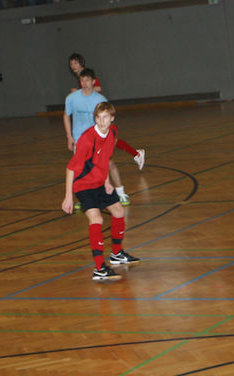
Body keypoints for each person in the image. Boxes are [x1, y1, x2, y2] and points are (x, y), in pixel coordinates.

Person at [62, 102, 140, 281]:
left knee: (119, 212)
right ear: (95, 118)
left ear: (112, 118)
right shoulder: (87, 139)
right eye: (98, 117)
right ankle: (99, 268)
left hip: (100, 183)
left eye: (105, 117)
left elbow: (104, 157)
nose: (101, 121)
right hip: (84, 185)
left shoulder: (112, 132)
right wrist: (68, 196)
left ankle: (116, 254)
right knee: (96, 219)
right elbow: (71, 168)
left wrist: (107, 181)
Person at [63, 68, 145, 207]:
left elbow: (109, 120)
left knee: (109, 164)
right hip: (81, 141)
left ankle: (120, 192)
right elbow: (66, 115)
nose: (85, 83)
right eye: (82, 80)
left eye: (88, 80)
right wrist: (69, 136)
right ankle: (82, 199)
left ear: (93, 81)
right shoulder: (72, 98)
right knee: (80, 170)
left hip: (99, 141)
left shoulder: (100, 99)